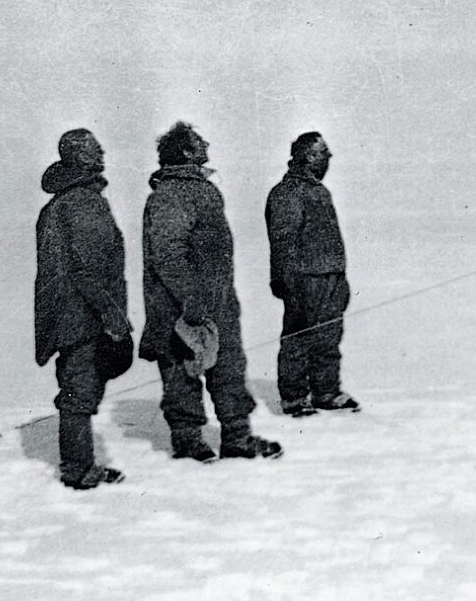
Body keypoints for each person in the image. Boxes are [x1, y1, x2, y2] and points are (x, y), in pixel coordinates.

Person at [137, 121, 282, 462]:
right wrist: (191, 299)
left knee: (229, 367)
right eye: (199, 141)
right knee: (181, 373)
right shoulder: (169, 194)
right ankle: (188, 443)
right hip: (178, 307)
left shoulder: (203, 190)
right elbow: (169, 253)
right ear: (186, 151)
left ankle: (238, 438)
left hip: (216, 303)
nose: (207, 145)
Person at [34, 129, 131, 490]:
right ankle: (78, 469)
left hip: (68, 316)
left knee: (78, 389)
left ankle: (80, 463)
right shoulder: (84, 202)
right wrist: (114, 317)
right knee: (79, 392)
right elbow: (89, 271)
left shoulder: (61, 203)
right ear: (78, 156)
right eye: (94, 148)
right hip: (84, 317)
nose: (102, 151)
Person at [265, 131, 359, 417]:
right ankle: (294, 398)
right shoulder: (287, 192)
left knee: (329, 337)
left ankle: (326, 391)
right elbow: (283, 240)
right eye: (324, 152)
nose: (329, 158)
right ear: (308, 156)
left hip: (330, 276)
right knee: (298, 337)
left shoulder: (319, 190)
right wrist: (287, 281)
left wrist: (339, 277)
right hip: (303, 278)